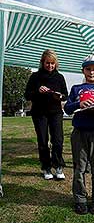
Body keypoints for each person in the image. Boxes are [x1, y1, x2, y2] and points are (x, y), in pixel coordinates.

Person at [64, 54, 94, 215]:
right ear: (83, 70)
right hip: (79, 132)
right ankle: (80, 199)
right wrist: (79, 103)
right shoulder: (76, 88)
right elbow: (67, 108)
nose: (91, 72)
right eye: (88, 69)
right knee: (79, 167)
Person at [25, 49, 68, 180]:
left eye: (52, 63)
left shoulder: (59, 77)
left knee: (58, 140)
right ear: (42, 62)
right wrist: (38, 91)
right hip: (39, 113)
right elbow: (27, 95)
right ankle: (46, 167)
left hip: (55, 112)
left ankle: (58, 166)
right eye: (47, 63)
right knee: (43, 141)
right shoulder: (35, 77)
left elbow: (65, 96)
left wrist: (59, 96)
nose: (50, 66)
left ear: (56, 64)